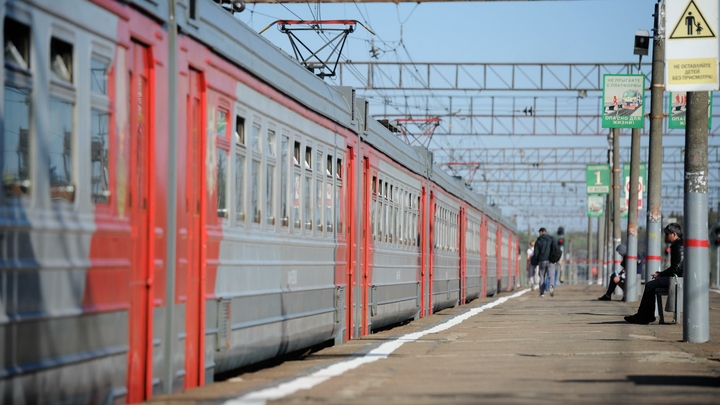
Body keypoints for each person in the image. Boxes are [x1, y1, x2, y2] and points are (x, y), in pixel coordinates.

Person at [624, 223, 684, 324]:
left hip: (678, 279)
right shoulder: (679, 244)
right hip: (678, 277)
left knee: (649, 285)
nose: (665, 236)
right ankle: (646, 316)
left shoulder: (678, 246)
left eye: (667, 234)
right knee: (651, 286)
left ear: (674, 234)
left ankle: (643, 316)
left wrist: (661, 274)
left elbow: (676, 268)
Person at [531, 227, 557, 298]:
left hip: (542, 261)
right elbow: (555, 249)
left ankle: (542, 292)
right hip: (551, 261)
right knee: (551, 276)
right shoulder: (551, 239)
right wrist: (555, 259)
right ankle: (551, 286)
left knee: (542, 276)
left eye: (539, 232)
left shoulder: (538, 241)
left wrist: (537, 260)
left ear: (542, 232)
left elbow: (536, 253)